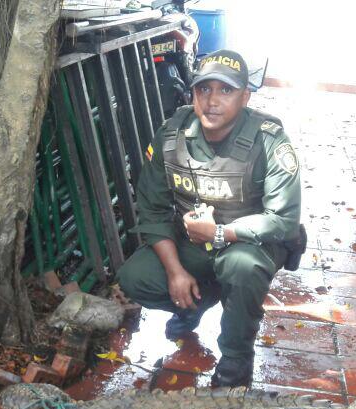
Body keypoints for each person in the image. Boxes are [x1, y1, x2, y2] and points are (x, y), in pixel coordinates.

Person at [118, 49, 301, 387]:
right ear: (193, 93)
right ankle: (194, 303)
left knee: (241, 268)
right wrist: (175, 273)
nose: (212, 100)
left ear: (245, 96)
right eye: (204, 89)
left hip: (250, 244)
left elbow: (283, 220)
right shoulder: (172, 136)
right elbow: (153, 209)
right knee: (134, 277)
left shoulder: (269, 141)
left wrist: (220, 233)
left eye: (226, 90)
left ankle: (236, 359)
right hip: (194, 242)